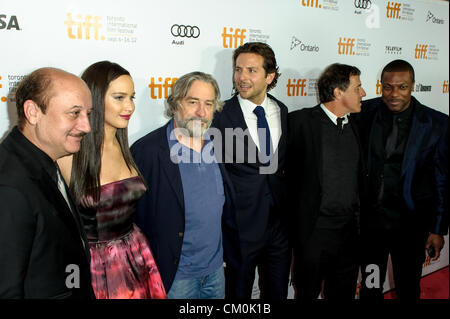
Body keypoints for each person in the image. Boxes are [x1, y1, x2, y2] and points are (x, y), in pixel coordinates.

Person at [57, 61, 166, 299]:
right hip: (95, 269)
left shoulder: (123, 143)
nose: (129, 106)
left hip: (137, 256)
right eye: (119, 97)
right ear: (94, 99)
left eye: (132, 97)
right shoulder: (69, 153)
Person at [131, 71, 241, 299]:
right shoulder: (147, 152)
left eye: (208, 104)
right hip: (174, 278)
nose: (202, 112)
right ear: (175, 105)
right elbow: (135, 220)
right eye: (193, 102)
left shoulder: (218, 145)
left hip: (215, 274)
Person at [0, 67, 94, 298]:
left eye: (87, 114)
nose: (86, 126)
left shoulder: (43, 159)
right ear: (32, 112)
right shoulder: (9, 186)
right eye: (74, 113)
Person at [359, 59, 448, 299]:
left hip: (410, 225)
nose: (394, 94)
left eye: (402, 87)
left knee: (408, 287)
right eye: (388, 87)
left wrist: (438, 229)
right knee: (371, 285)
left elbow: (442, 180)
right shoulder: (364, 113)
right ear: (381, 86)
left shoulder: (436, 124)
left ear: (413, 86)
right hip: (371, 226)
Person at [212, 42, 291, 299]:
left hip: (279, 228)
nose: (242, 78)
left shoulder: (282, 110)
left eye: (251, 70)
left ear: (270, 77)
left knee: (277, 293)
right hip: (239, 228)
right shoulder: (220, 115)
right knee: (237, 296)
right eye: (238, 70)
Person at [287, 63, 367, 300]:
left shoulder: (359, 124)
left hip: (349, 234)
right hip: (314, 233)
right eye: (358, 87)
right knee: (307, 293)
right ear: (338, 92)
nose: (363, 93)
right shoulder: (299, 123)